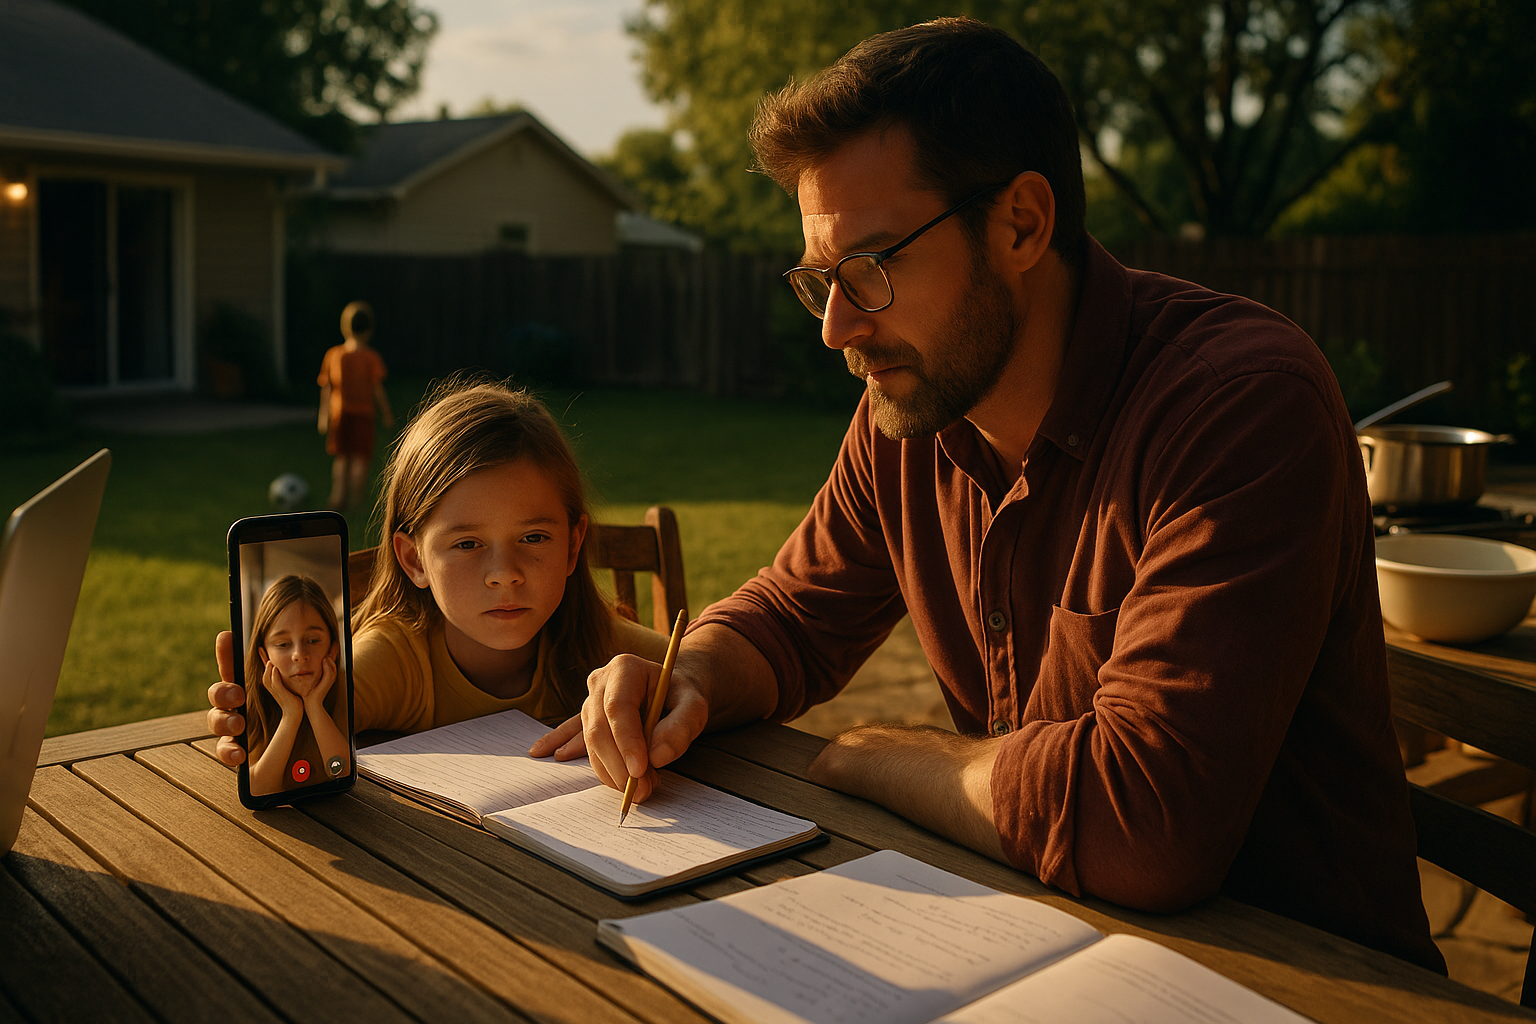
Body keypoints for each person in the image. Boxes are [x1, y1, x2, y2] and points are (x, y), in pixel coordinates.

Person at [571, 17, 1445, 974]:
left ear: (1022, 223)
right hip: (1039, 944)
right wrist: (689, 674)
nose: (836, 327)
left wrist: (875, 752)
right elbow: (790, 616)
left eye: (871, 267)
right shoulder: (912, 410)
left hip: (1304, 983)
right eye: (820, 278)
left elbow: (1143, 824)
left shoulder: (1236, 404)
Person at [208, 379, 669, 764]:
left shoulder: (594, 638)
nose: (504, 575)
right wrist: (255, 725)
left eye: (533, 538)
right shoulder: (396, 658)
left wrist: (673, 690)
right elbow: (299, 731)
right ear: (414, 560)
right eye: (467, 544)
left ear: (573, 546)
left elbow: (697, 671)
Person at [243, 574, 350, 796]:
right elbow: (258, 789)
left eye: (312, 640)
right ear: (265, 658)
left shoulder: (345, 693)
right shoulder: (253, 702)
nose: (299, 655)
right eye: (283, 644)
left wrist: (315, 706)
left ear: (332, 649)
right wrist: (291, 715)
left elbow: (343, 773)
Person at [318, 300, 396, 511]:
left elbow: (327, 388)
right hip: (363, 415)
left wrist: (323, 416)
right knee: (360, 459)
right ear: (369, 328)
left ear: (345, 326)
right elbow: (377, 389)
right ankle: (355, 501)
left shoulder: (334, 355)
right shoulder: (371, 358)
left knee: (342, 458)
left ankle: (337, 498)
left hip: (339, 414)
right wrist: (387, 414)